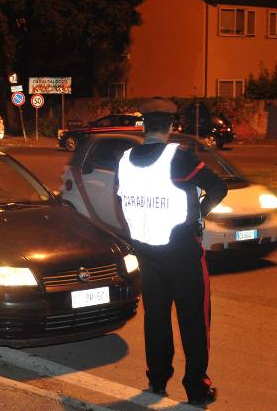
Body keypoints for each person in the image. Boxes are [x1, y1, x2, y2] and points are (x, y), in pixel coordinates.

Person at [116, 97, 227, 407]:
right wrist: (201, 213)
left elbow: (123, 200)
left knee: (156, 319)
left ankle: (157, 379)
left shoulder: (124, 160)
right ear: (170, 126)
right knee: (194, 320)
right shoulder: (178, 158)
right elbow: (218, 188)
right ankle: (196, 388)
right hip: (182, 251)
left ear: (143, 125)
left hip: (146, 251)